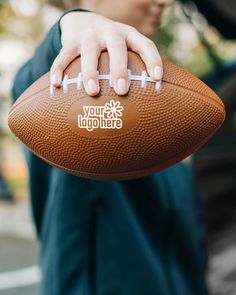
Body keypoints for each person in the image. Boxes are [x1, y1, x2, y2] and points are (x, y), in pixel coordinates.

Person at [11, 1, 209, 294]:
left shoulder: (156, 95)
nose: (165, 1)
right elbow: (31, 82)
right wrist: (74, 24)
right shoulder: (70, 82)